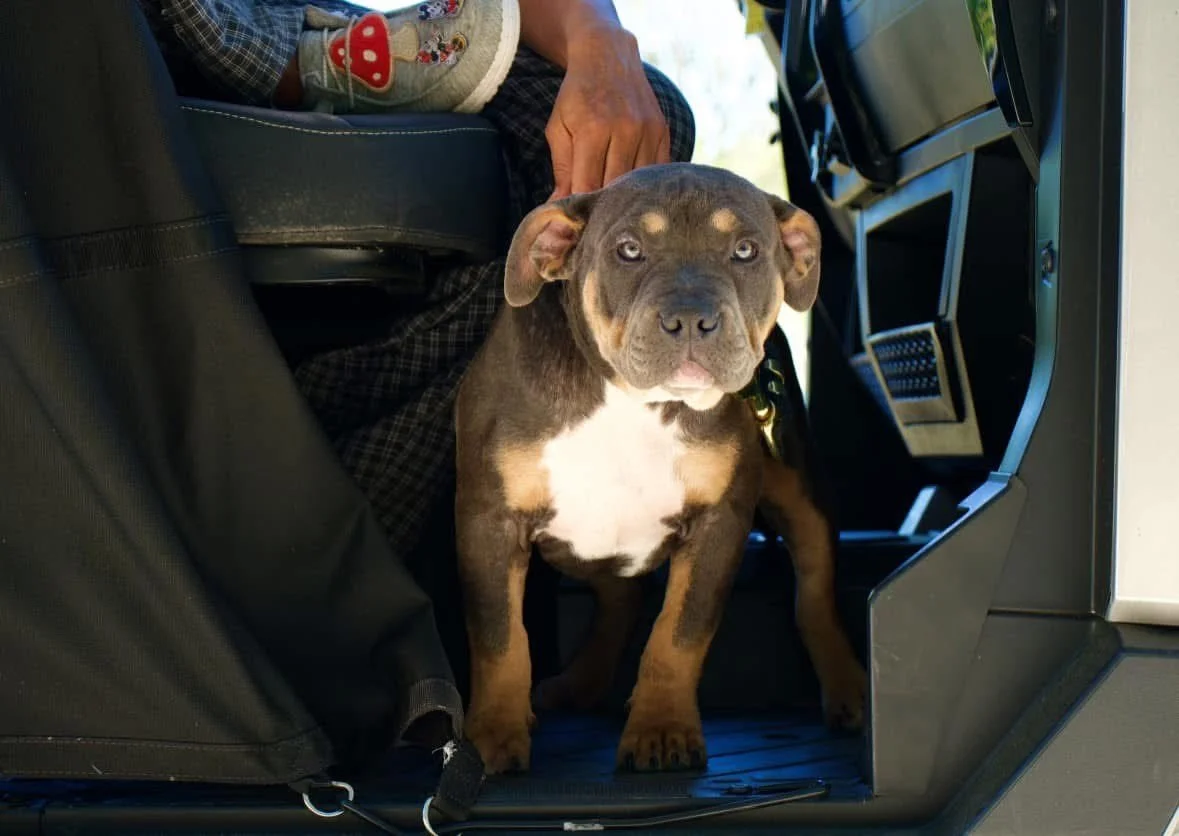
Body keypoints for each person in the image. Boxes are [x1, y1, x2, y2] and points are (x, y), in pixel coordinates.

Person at [140, 0, 696, 559]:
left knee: (639, 127)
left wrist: (600, 40)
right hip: (181, 43)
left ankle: (333, 550)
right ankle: (321, 569)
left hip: (281, 33)